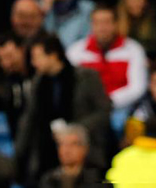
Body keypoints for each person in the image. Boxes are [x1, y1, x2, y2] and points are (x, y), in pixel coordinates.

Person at [15, 35, 110, 186]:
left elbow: (104, 111)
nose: (33, 63)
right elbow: (30, 118)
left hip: (86, 151)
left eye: (37, 57)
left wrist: (73, 131)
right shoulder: (38, 83)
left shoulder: (87, 77)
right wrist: (19, 151)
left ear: (53, 55)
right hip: (47, 152)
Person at [67, 5, 148, 109]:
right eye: (97, 23)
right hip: (86, 109)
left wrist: (109, 101)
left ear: (116, 24)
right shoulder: (75, 51)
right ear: (91, 25)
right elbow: (69, 84)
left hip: (122, 108)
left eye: (107, 22)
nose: (102, 28)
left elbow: (138, 87)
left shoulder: (133, 49)